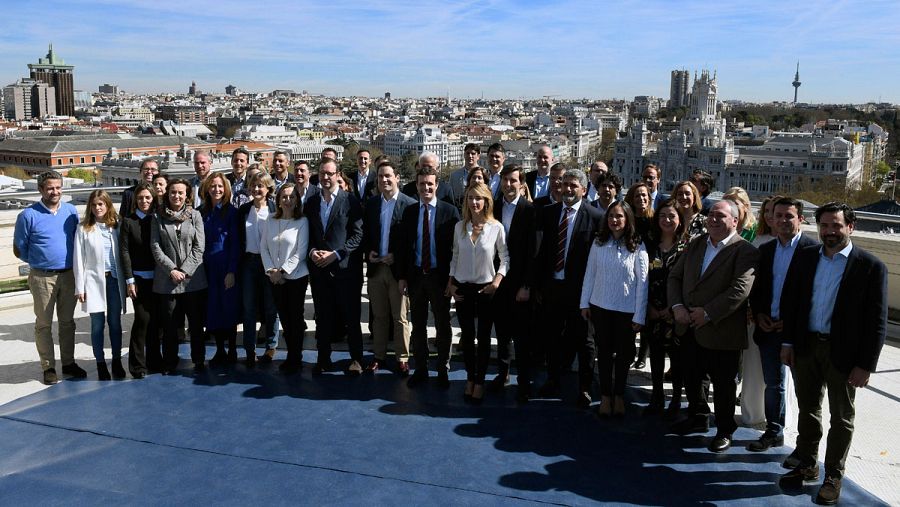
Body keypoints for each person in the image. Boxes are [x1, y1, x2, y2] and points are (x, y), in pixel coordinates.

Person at [778, 202, 887, 505]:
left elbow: (876, 321)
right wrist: (788, 343)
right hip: (806, 347)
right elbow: (792, 302)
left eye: (836, 225)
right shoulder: (805, 257)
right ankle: (808, 464)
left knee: (841, 418)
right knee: (808, 409)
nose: (829, 232)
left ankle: (833, 475)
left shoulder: (870, 267)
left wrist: (865, 365)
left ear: (850, 227)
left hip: (844, 355)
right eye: (824, 226)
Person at [668, 200, 759, 453]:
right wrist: (677, 307)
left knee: (723, 385)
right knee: (692, 376)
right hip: (688, 327)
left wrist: (708, 313)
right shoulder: (697, 243)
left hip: (722, 331)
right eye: (711, 215)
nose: (713, 220)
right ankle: (697, 417)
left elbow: (740, 290)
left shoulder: (745, 251)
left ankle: (724, 429)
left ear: (734, 221)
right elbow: (675, 276)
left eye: (720, 216)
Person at [747, 197, 817, 453]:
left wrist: (792, 322)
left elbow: (814, 295)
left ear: (800, 219)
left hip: (798, 332)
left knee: (804, 390)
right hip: (768, 328)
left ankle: (805, 444)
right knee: (773, 384)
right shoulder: (765, 251)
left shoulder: (812, 251)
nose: (783, 221)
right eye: (779, 216)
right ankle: (773, 431)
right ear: (771, 219)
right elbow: (758, 288)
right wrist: (759, 313)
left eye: (789, 216)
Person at [535, 168, 603, 407]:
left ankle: (584, 388)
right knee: (552, 338)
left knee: (585, 342)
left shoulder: (595, 217)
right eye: (565, 185)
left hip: (581, 292)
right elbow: (541, 252)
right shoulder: (548, 213)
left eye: (573, 186)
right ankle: (552, 380)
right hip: (553, 287)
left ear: (584, 190)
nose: (568, 189)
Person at [13, 170, 86, 384]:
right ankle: (48, 367)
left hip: (69, 275)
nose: (55, 191)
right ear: (40, 190)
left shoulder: (71, 211)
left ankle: (68, 363)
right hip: (42, 278)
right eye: (50, 188)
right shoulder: (28, 215)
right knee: (43, 324)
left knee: (67, 322)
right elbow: (19, 248)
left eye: (58, 187)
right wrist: (40, 261)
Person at [581, 200, 649, 417]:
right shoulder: (599, 242)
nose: (614, 220)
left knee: (623, 356)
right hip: (600, 306)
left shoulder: (637, 244)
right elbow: (590, 273)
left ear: (628, 219)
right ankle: (605, 396)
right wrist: (584, 303)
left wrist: (639, 314)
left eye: (619, 216)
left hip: (627, 311)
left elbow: (643, 282)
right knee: (604, 353)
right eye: (611, 216)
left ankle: (619, 394)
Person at [398, 164, 461, 389]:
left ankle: (443, 368)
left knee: (443, 325)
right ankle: (421, 368)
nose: (426, 188)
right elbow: (404, 247)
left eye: (430, 184)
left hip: (440, 277)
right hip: (416, 276)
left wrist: (452, 280)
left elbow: (456, 250)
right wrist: (402, 277)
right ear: (416, 186)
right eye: (422, 184)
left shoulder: (449, 211)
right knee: (418, 325)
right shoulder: (410, 212)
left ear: (437, 186)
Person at [448, 183, 509, 404]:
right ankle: (470, 378)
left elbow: (505, 258)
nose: (474, 202)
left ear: (486, 202)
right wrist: (451, 283)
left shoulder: (496, 228)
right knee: (467, 338)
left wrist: (497, 281)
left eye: (478, 198)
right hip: (463, 289)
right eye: (470, 198)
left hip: (486, 289)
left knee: (483, 339)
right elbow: (455, 256)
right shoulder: (459, 227)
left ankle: (480, 381)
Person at [304, 158, 365, 375]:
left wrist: (337, 254)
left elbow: (358, 235)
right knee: (322, 317)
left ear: (338, 174)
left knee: (351, 317)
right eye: (322, 173)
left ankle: (356, 359)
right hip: (320, 270)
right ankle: (323, 358)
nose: (326, 178)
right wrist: (312, 252)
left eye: (329, 173)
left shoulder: (350, 201)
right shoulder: (311, 203)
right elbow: (307, 233)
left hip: (346, 270)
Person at [361, 161, 417, 375]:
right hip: (376, 269)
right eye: (381, 177)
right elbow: (365, 234)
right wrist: (369, 253)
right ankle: (379, 356)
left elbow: (413, 242)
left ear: (397, 178)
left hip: (398, 271)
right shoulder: (372, 204)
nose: (384, 180)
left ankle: (402, 357)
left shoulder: (409, 205)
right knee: (379, 316)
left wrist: (398, 257)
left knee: (400, 317)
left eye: (388, 176)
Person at [490, 164, 537, 403]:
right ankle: (503, 374)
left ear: (521, 183)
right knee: (502, 332)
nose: (508, 185)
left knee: (522, 336)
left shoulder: (530, 211)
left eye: (513, 180)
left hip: (519, 283)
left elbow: (533, 252)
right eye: (505, 180)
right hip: (498, 281)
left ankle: (524, 382)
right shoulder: (493, 208)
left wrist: (526, 285)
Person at [152, 178, 207, 373]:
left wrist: (184, 271)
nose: (176, 196)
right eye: (173, 192)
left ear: (187, 195)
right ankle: (170, 361)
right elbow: (155, 246)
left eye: (180, 192)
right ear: (168, 194)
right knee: (170, 325)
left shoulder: (195, 216)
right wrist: (172, 270)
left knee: (196, 323)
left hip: (193, 281)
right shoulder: (158, 216)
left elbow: (200, 247)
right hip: (167, 280)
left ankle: (198, 359)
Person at [74, 190, 127, 380]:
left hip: (114, 280)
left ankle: (117, 361)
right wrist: (80, 287)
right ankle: (100, 363)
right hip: (93, 282)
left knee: (115, 323)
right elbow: (78, 259)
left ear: (108, 205)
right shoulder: (84, 228)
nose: (98, 208)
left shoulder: (116, 226)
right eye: (94, 205)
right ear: (90, 206)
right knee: (97, 325)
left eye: (101, 204)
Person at [261, 183, 310, 374]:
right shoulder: (270, 220)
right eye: (284, 197)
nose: (287, 201)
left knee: (295, 319)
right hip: (274, 277)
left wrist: (283, 272)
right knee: (284, 318)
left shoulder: (302, 221)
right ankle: (290, 353)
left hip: (296, 277)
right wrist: (272, 271)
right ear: (278, 200)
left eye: (291, 197)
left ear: (297, 200)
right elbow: (264, 247)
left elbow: (301, 251)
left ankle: (295, 356)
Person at [644, 202, 687, 417]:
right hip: (652, 310)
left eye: (672, 216)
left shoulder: (687, 248)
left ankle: (676, 400)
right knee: (656, 355)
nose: (667, 220)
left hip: (676, 312)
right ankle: (657, 396)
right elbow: (642, 278)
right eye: (662, 215)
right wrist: (649, 306)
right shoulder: (650, 246)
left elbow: (688, 282)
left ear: (679, 220)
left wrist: (674, 307)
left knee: (677, 358)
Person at [200, 173, 241, 366]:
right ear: (207, 188)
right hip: (207, 267)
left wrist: (232, 270)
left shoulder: (232, 212)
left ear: (226, 189)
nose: (216, 189)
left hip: (226, 266)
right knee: (213, 308)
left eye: (220, 186)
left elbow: (235, 244)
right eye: (213, 186)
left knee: (229, 308)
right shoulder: (201, 212)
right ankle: (219, 350)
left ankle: (232, 349)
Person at [238, 172, 278, 367]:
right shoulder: (243, 210)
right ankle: (249, 349)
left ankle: (271, 345)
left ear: (268, 188)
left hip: (269, 263)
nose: (256, 189)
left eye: (260, 186)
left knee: (271, 307)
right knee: (249, 308)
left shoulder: (274, 209)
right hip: (249, 263)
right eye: (253, 186)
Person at [120, 182, 159, 377]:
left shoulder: (158, 220)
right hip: (139, 279)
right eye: (141, 198)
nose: (144, 201)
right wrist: (129, 279)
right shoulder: (128, 221)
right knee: (142, 320)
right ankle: (137, 365)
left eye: (148, 197)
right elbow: (125, 251)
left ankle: (154, 361)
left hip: (159, 279)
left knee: (156, 321)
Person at [624, 181, 654, 370]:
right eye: (637, 196)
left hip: (651, 272)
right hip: (629, 274)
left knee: (647, 315)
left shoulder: (655, 220)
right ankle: (628, 352)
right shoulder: (628, 221)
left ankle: (643, 354)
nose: (641, 199)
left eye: (644, 195)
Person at [448, 143, 481, 209]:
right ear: (464, 155)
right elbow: (451, 197)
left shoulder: (484, 174)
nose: (470, 156)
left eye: (473, 153)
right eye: (467, 153)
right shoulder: (454, 176)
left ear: (478, 156)